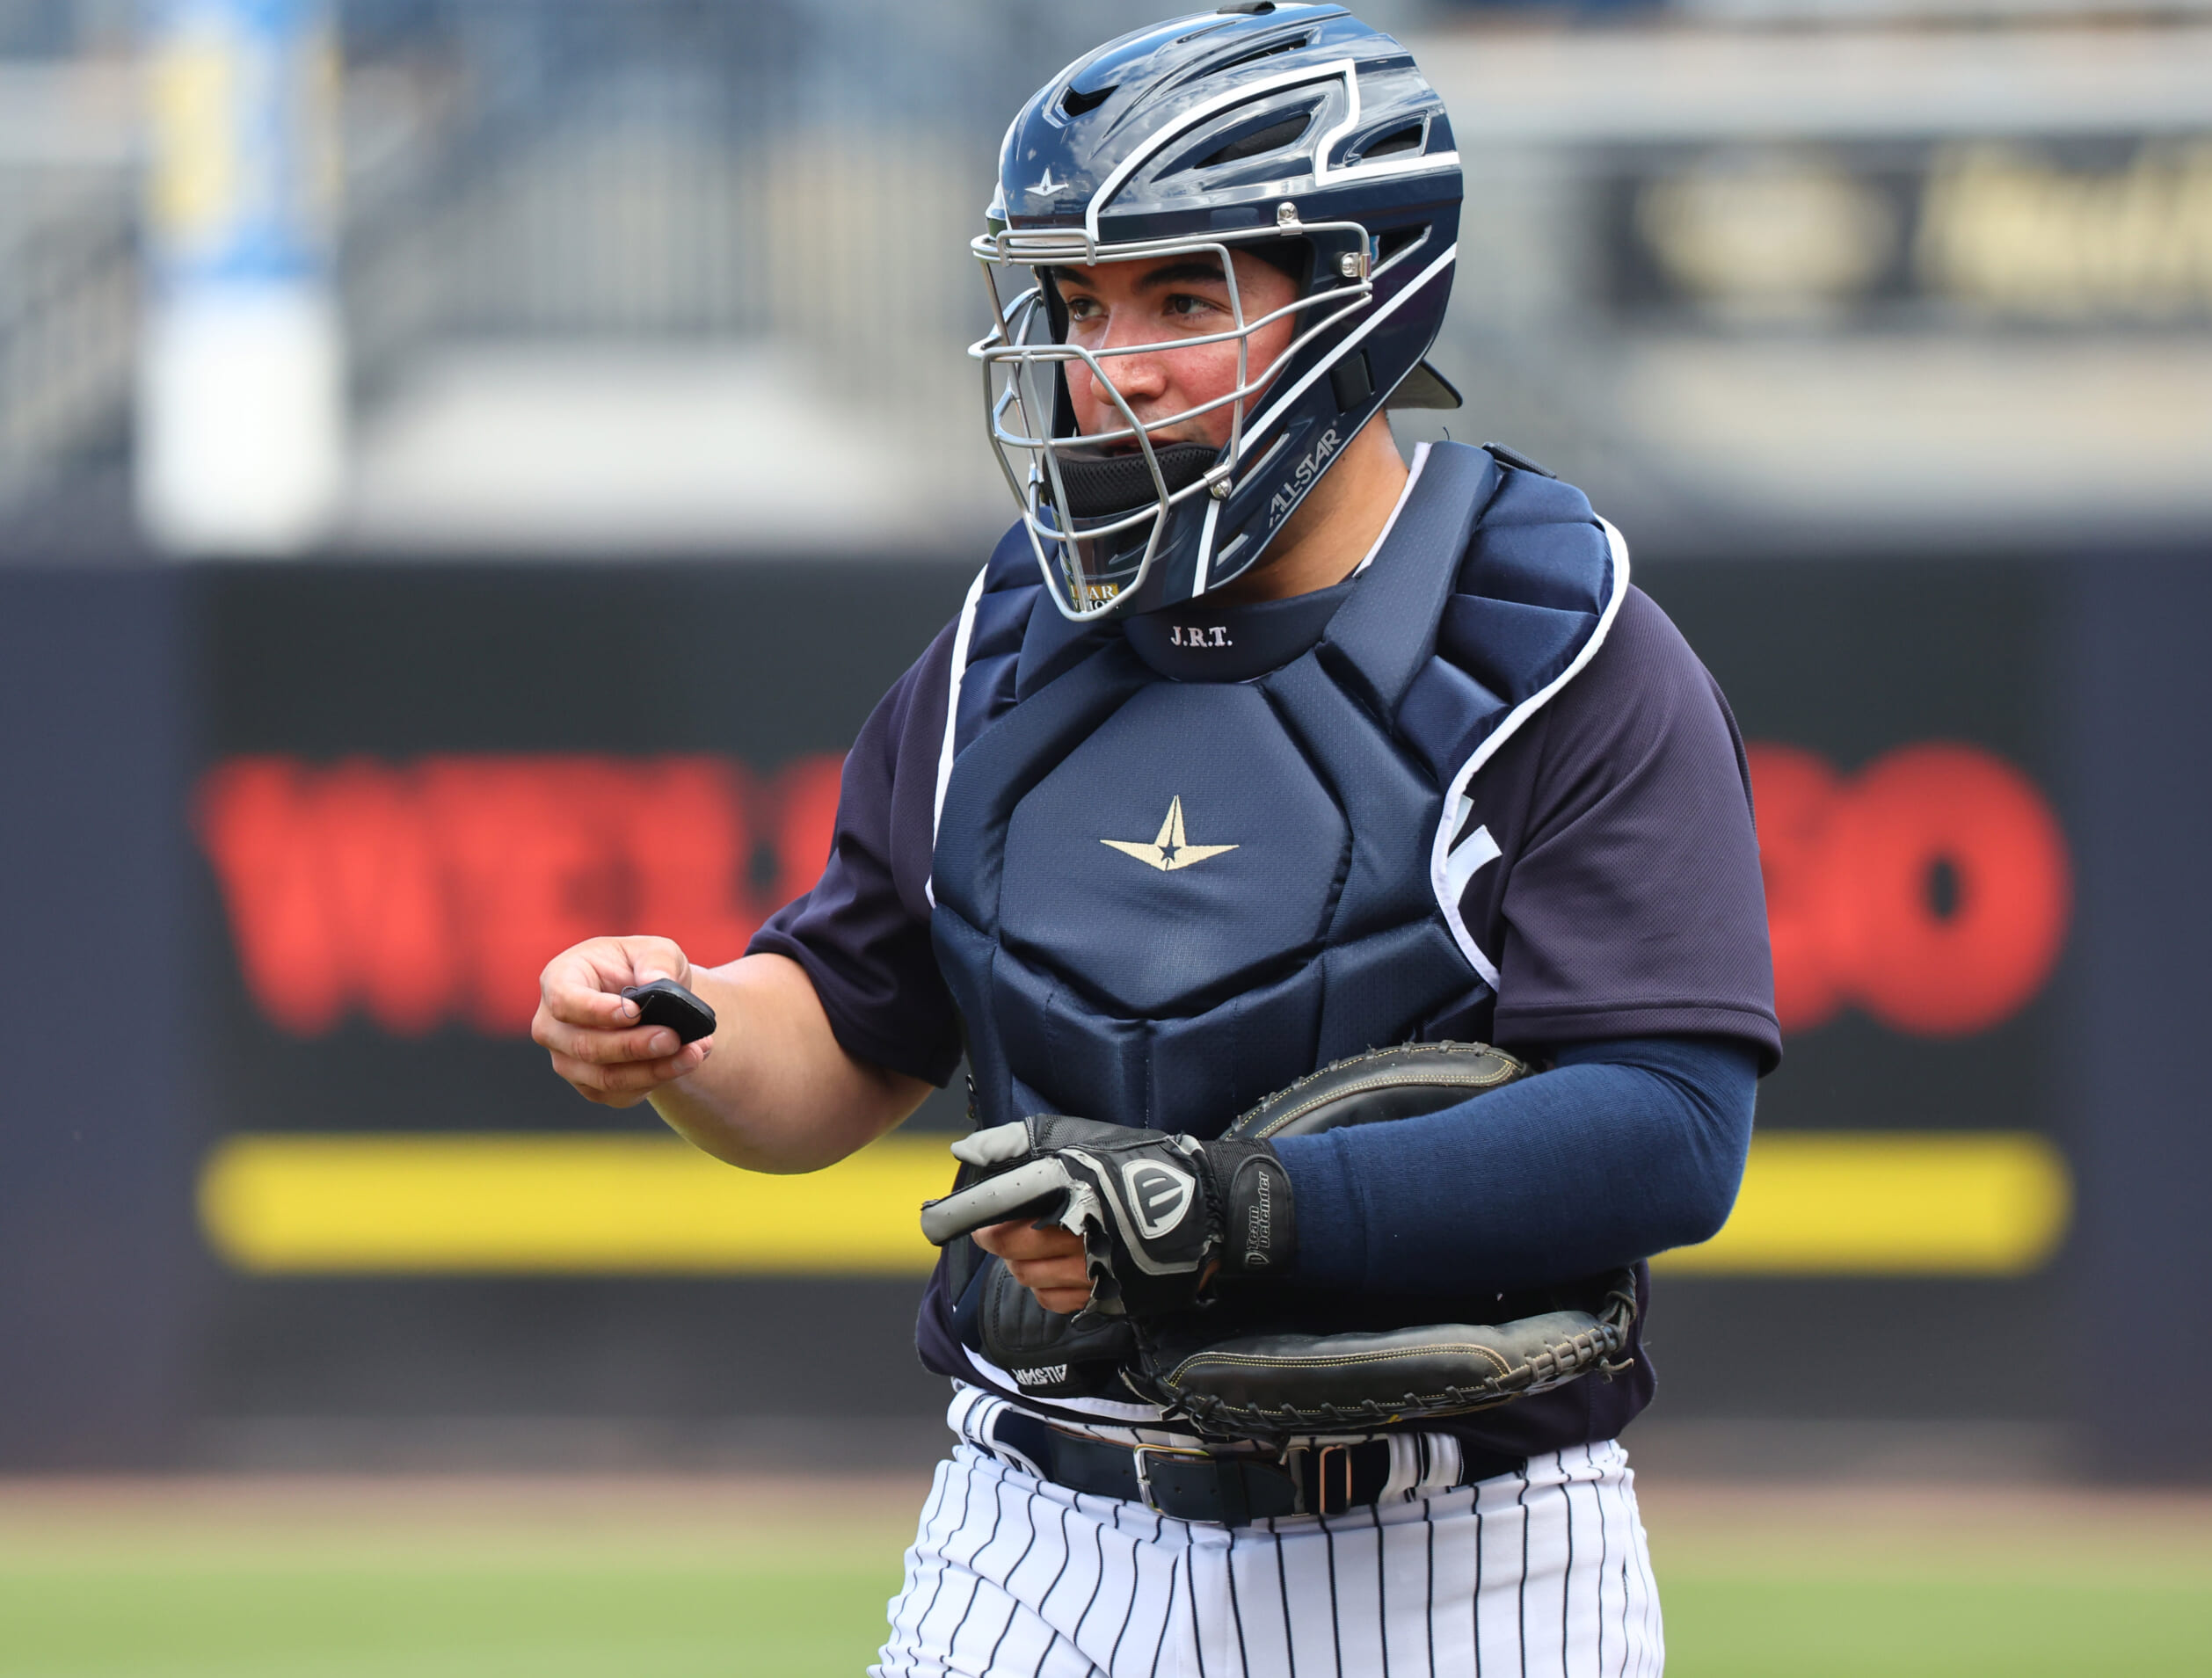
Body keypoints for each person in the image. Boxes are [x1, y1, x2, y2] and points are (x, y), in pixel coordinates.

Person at [532, 6, 1779, 1673]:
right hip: (1035, 1538)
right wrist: (682, 1022)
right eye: (1075, 301)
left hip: (1457, 1562)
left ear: (1359, 295)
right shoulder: (1004, 636)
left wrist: (1237, 1208)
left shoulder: (1561, 638)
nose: (1107, 363)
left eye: (1183, 297)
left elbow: (1670, 1130)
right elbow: (839, 1035)